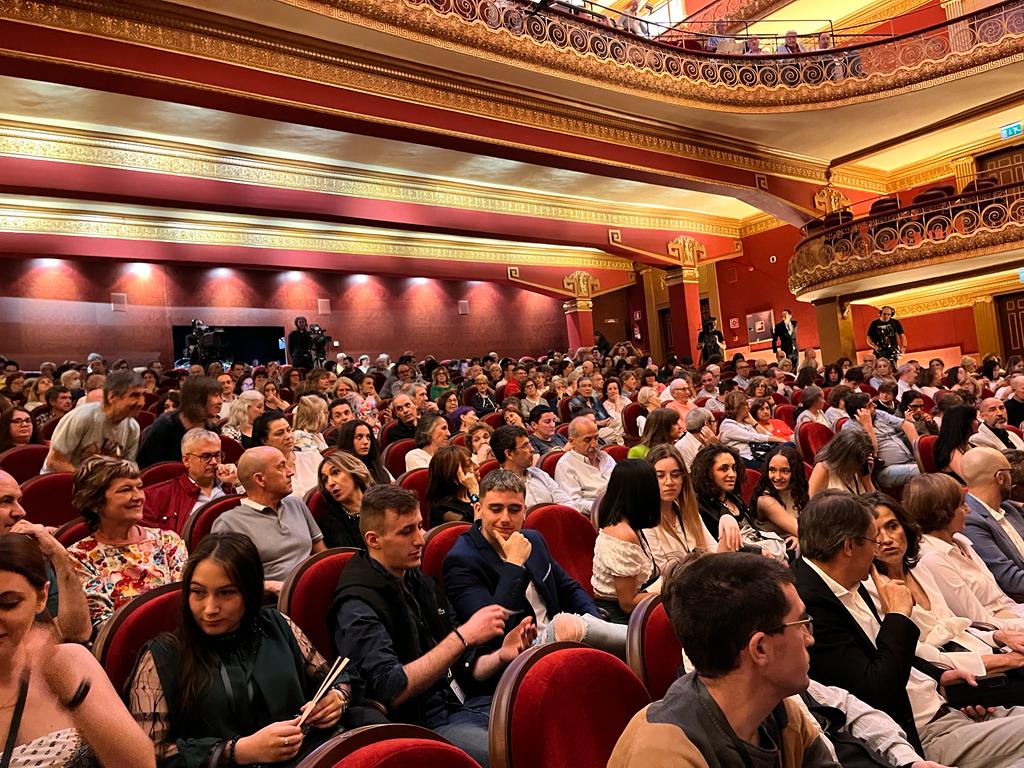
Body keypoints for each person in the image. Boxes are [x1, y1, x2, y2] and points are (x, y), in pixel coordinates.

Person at [793, 489, 1024, 766]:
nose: (878, 548)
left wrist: (936, 675)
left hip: (947, 708)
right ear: (848, 547)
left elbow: (883, 652)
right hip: (917, 736)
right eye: (872, 541)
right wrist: (898, 617)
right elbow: (877, 689)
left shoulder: (849, 578)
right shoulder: (808, 602)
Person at [129, 532, 384, 768]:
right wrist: (239, 750)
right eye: (198, 593)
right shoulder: (163, 655)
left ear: (249, 593)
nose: (210, 608)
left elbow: (333, 676)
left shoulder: (276, 625)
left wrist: (336, 699)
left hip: (307, 754)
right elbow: (149, 753)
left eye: (226, 593)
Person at [330, 484, 536, 766]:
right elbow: (389, 688)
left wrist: (499, 656)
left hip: (463, 703)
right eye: (406, 532)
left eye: (419, 527)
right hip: (422, 725)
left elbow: (462, 663)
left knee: (551, 724)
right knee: (523, 755)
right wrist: (463, 636)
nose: (420, 540)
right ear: (373, 540)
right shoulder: (356, 603)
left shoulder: (414, 577)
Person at [609, 551, 837, 768]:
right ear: (760, 648)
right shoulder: (662, 753)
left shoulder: (780, 714)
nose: (809, 638)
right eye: (801, 623)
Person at [0, 534, 156, 767]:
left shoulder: (71, 661)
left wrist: (71, 692)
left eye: (9, 603)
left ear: (42, 597)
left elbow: (141, 764)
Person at [444, 469, 627, 657]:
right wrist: (514, 565)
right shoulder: (462, 560)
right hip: (516, 659)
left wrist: (596, 623)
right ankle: (636, 640)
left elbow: (569, 589)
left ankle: (638, 640)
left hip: (561, 641)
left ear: (524, 511)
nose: (505, 519)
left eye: (514, 509)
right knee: (565, 624)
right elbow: (492, 633)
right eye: (496, 509)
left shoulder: (533, 539)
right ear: (478, 510)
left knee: (572, 626)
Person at [867, 492, 1024, 681]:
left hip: (979, 649)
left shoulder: (919, 569)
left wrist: (998, 637)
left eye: (892, 526)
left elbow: (955, 625)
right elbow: (920, 659)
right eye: (874, 533)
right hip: (955, 673)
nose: (886, 539)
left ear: (905, 527)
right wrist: (1001, 660)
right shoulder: (871, 589)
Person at [67, 455, 188, 632]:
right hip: (124, 647)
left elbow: (187, 602)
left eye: (139, 487)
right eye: (125, 490)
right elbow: (102, 625)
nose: (138, 496)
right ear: (95, 503)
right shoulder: (80, 556)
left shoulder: (168, 541)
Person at [908, 472, 1024, 630]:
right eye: (961, 505)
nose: (968, 510)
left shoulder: (960, 541)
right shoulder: (933, 559)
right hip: (998, 635)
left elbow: (1002, 600)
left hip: (1012, 615)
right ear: (942, 513)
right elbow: (979, 622)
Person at [212, 447, 325, 589]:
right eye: (281, 467)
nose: (291, 472)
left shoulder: (296, 504)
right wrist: (269, 586)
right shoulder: (229, 523)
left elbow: (322, 556)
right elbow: (226, 581)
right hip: (271, 603)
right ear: (260, 479)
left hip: (314, 590)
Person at [0, 470, 91, 642]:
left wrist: (58, 554)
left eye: (19, 501)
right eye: (6, 501)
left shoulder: (27, 555)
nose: (21, 512)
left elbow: (76, 634)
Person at [592, 459, 662, 623]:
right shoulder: (623, 534)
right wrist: (668, 592)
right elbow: (628, 604)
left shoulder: (630, 525)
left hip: (634, 608)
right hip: (617, 617)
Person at [42, 370, 146, 473]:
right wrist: (92, 482)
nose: (142, 402)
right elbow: (54, 462)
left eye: (143, 395)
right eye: (134, 396)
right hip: (62, 482)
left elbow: (128, 465)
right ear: (112, 397)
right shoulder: (82, 417)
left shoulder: (133, 427)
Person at [643, 444, 723, 571]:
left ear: (683, 478)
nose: (669, 482)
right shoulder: (644, 519)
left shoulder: (688, 512)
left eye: (675, 475)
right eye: (660, 476)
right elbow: (664, 570)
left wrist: (726, 522)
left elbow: (714, 552)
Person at [142, 428, 237, 535]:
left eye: (217, 455)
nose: (214, 462)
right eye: (206, 456)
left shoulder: (231, 488)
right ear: (187, 460)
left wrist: (238, 482)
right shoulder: (158, 496)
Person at [491, 425, 586, 512]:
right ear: (509, 454)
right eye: (525, 446)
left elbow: (567, 502)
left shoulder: (540, 474)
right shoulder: (498, 487)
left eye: (529, 444)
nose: (532, 449)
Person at [137, 375, 223, 469]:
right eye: (215, 396)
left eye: (220, 396)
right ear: (197, 399)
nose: (220, 401)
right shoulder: (165, 426)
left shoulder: (211, 429)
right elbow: (145, 467)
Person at [691, 445, 760, 554]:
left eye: (734, 468)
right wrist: (760, 552)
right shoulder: (701, 507)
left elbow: (755, 532)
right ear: (708, 473)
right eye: (724, 469)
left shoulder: (734, 498)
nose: (732, 474)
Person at [843, 392, 919, 487]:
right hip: (884, 471)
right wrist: (868, 425)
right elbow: (872, 452)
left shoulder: (878, 414)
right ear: (859, 412)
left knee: (931, 463)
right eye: (869, 405)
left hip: (910, 461)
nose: (875, 405)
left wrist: (919, 453)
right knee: (922, 470)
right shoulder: (850, 428)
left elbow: (908, 425)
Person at [553, 416, 615, 513]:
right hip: (596, 516)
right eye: (587, 440)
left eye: (596, 438)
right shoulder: (566, 465)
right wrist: (604, 506)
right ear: (571, 442)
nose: (594, 444)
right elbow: (574, 502)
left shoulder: (606, 457)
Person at [317, 450, 374, 549]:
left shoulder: (382, 502)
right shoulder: (331, 523)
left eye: (335, 472)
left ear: (353, 472)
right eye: (325, 479)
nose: (330, 483)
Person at [752, 444, 808, 540]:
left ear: (795, 471)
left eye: (785, 471)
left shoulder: (798, 492)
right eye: (772, 470)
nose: (777, 477)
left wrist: (798, 539)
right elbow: (800, 531)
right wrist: (799, 537)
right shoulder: (765, 501)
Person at [718, 390, 785, 468]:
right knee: (787, 448)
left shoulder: (746, 422)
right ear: (739, 407)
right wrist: (779, 440)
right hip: (746, 460)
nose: (749, 407)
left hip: (760, 454)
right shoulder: (727, 425)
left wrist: (753, 422)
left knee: (787, 450)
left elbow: (768, 435)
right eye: (746, 404)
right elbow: (754, 437)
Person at [808, 428, 876, 496]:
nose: (860, 464)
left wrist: (867, 479)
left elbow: (874, 500)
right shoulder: (823, 469)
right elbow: (811, 503)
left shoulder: (860, 466)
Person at [425, 445, 479, 526]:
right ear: (454, 477)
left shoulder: (470, 493)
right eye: (469, 464)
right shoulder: (443, 510)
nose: (477, 466)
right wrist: (474, 490)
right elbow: (479, 530)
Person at [336, 419, 392, 484]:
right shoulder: (341, 472)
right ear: (347, 440)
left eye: (368, 437)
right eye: (359, 437)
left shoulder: (375, 465)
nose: (366, 442)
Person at [933, 404, 975, 483]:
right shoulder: (953, 452)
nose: (979, 422)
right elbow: (972, 481)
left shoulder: (966, 444)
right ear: (963, 424)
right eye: (974, 419)